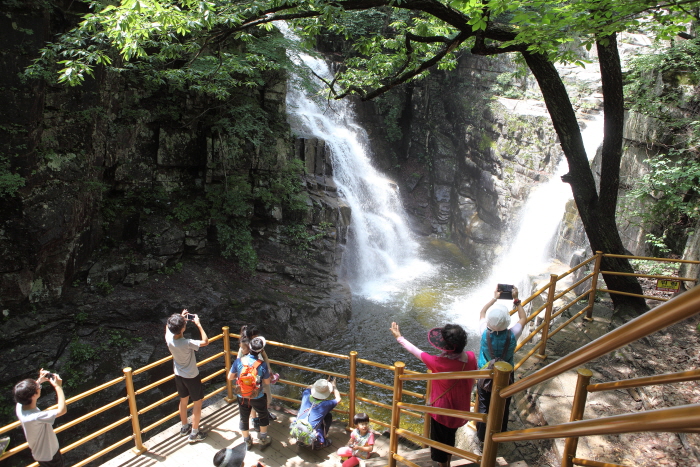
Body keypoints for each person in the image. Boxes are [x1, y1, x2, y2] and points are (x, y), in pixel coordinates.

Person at [390, 322, 476, 467]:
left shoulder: (439, 363)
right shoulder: (471, 357)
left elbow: (416, 351)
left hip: (441, 412)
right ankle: (447, 462)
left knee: (438, 444)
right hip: (460, 410)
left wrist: (399, 337)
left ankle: (443, 465)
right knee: (450, 438)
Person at [475, 286, 528, 443]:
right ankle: (500, 434)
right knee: (503, 404)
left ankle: (482, 437)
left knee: (483, 404)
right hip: (506, 375)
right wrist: (516, 300)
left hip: (485, 375)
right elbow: (523, 319)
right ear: (507, 321)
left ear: (489, 321)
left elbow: (482, 313)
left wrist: (494, 298)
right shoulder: (513, 334)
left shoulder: (484, 331)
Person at [165, 308, 209, 443]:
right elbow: (205, 341)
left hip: (178, 375)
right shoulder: (187, 342)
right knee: (197, 403)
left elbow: (168, 326)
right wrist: (198, 324)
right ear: (183, 328)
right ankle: (194, 433)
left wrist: (180, 317)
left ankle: (184, 426)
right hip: (192, 376)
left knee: (183, 400)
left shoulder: (168, 338)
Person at [14, 369, 67, 467]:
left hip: (40, 453)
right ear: (34, 395)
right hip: (49, 454)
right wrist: (58, 387)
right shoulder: (36, 417)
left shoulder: (20, 406)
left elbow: (26, 393)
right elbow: (62, 410)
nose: (40, 387)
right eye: (39, 387)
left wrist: (40, 380)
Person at [228, 336, 272, 449]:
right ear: (261, 350)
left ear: (249, 347)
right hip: (258, 395)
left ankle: (247, 441)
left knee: (244, 417)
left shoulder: (239, 361)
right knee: (263, 415)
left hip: (242, 395)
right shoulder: (262, 365)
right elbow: (267, 382)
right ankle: (263, 439)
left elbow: (230, 377)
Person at [238, 325, 279, 431]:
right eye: (255, 335)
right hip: (252, 380)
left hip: (262, 374)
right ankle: (255, 419)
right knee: (253, 398)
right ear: (251, 336)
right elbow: (239, 363)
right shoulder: (244, 348)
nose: (257, 336)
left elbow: (265, 356)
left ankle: (265, 412)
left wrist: (269, 369)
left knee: (266, 397)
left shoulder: (258, 345)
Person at [296, 377, 341, 449]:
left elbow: (308, 387)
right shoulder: (324, 405)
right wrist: (334, 386)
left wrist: (318, 386)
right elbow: (338, 399)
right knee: (328, 416)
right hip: (312, 436)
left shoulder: (306, 395)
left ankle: (301, 440)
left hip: (298, 429)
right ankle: (320, 443)